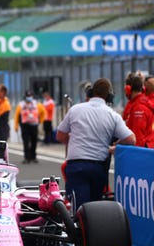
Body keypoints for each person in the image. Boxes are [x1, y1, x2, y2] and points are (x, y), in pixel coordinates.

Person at [56, 78, 135, 211]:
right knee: (94, 212)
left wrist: (74, 140)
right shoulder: (113, 115)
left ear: (92, 92)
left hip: (77, 166)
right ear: (109, 96)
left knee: (79, 211)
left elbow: (60, 135)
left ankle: (77, 230)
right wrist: (114, 147)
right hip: (98, 168)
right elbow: (131, 139)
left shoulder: (75, 109)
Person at [122, 73, 154, 147]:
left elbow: (138, 139)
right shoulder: (136, 102)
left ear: (128, 89)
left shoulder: (139, 108)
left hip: (139, 151)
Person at [14, 91, 46, 164]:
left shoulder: (37, 104)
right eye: (28, 96)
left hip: (34, 125)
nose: (29, 97)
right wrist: (16, 126)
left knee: (34, 141)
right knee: (26, 142)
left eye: (30, 96)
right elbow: (16, 115)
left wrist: (40, 121)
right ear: (25, 97)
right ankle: (26, 157)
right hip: (24, 125)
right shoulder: (21, 105)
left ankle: (33, 156)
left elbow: (43, 112)